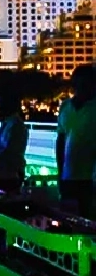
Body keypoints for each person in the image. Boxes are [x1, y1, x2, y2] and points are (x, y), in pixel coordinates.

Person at [56, 65, 96, 218]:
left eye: (86, 84)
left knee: (89, 220)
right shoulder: (65, 106)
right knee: (68, 220)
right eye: (79, 84)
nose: (82, 88)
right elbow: (61, 140)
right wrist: (60, 172)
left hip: (90, 179)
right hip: (68, 177)